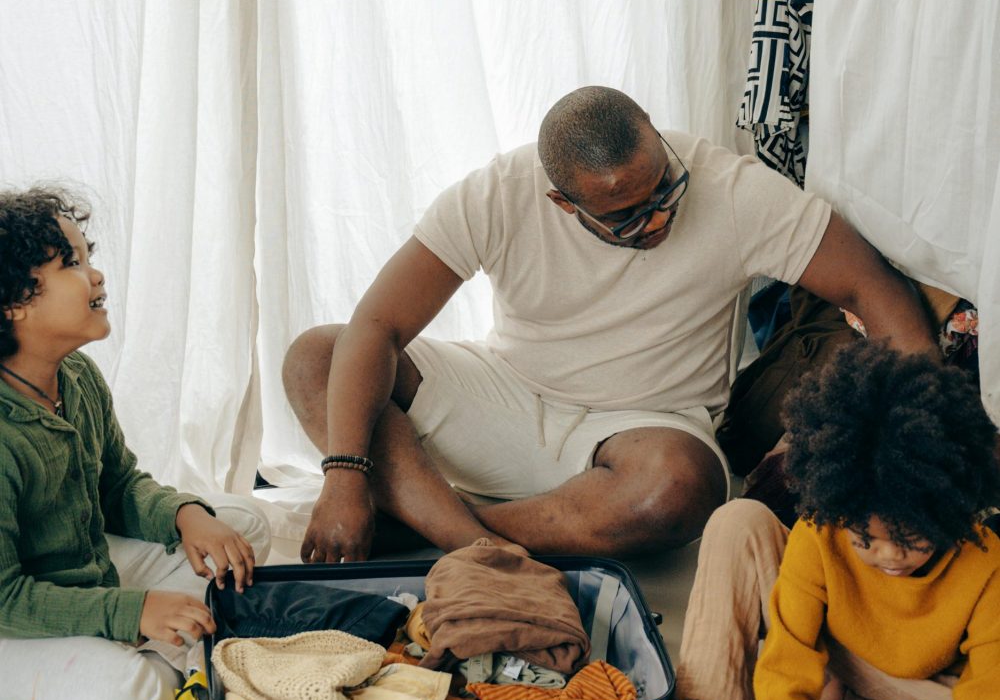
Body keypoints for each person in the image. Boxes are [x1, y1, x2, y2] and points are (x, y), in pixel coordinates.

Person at [283, 85, 936, 563]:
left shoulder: (734, 190)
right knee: (317, 356)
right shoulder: (498, 193)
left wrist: (922, 437)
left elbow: (872, 288)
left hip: (645, 428)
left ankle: (440, 525)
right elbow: (377, 324)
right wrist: (343, 473)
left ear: (652, 130)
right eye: (625, 217)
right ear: (561, 202)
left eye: (662, 192)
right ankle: (470, 539)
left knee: (679, 491)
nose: (655, 221)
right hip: (508, 395)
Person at [675, 339, 1000, 700]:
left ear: (949, 512)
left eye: (912, 540)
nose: (889, 557)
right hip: (837, 646)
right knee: (736, 521)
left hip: (914, 684)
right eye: (865, 540)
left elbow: (990, 688)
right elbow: (789, 653)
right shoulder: (819, 531)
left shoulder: (986, 561)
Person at [0, 186, 271, 700]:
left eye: (86, 257)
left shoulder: (76, 376)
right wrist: (131, 611)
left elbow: (119, 487)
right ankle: (161, 661)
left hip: (84, 570)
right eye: (70, 263)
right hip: (11, 614)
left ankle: (159, 652)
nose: (95, 277)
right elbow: (5, 595)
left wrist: (185, 514)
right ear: (12, 302)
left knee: (241, 526)